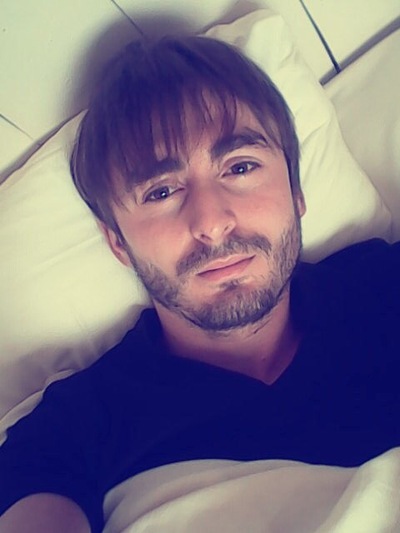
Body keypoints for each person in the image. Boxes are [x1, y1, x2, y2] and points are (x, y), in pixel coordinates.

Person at [0, 35, 399, 533]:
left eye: (240, 167)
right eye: (161, 191)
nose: (211, 222)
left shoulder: (385, 287)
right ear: (118, 243)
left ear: (296, 192)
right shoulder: (75, 430)